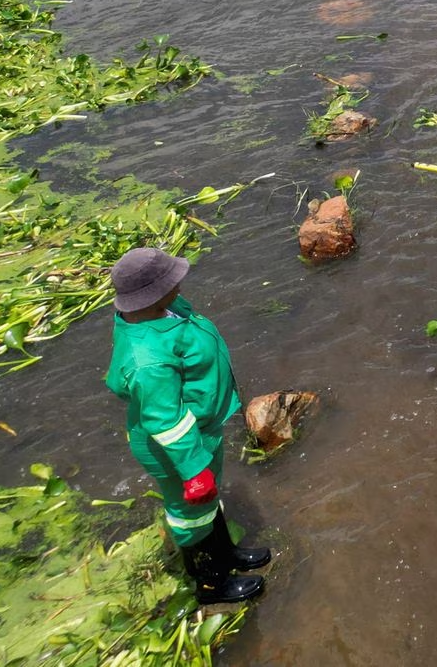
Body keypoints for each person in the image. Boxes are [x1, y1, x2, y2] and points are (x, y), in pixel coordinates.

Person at [105, 247, 271, 606]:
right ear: (152, 293)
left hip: (201, 431)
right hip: (176, 448)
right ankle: (211, 584)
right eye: (172, 279)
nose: (180, 281)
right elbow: (165, 420)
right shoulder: (148, 361)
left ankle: (227, 555)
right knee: (190, 514)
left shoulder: (166, 310)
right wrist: (194, 470)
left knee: (210, 504)